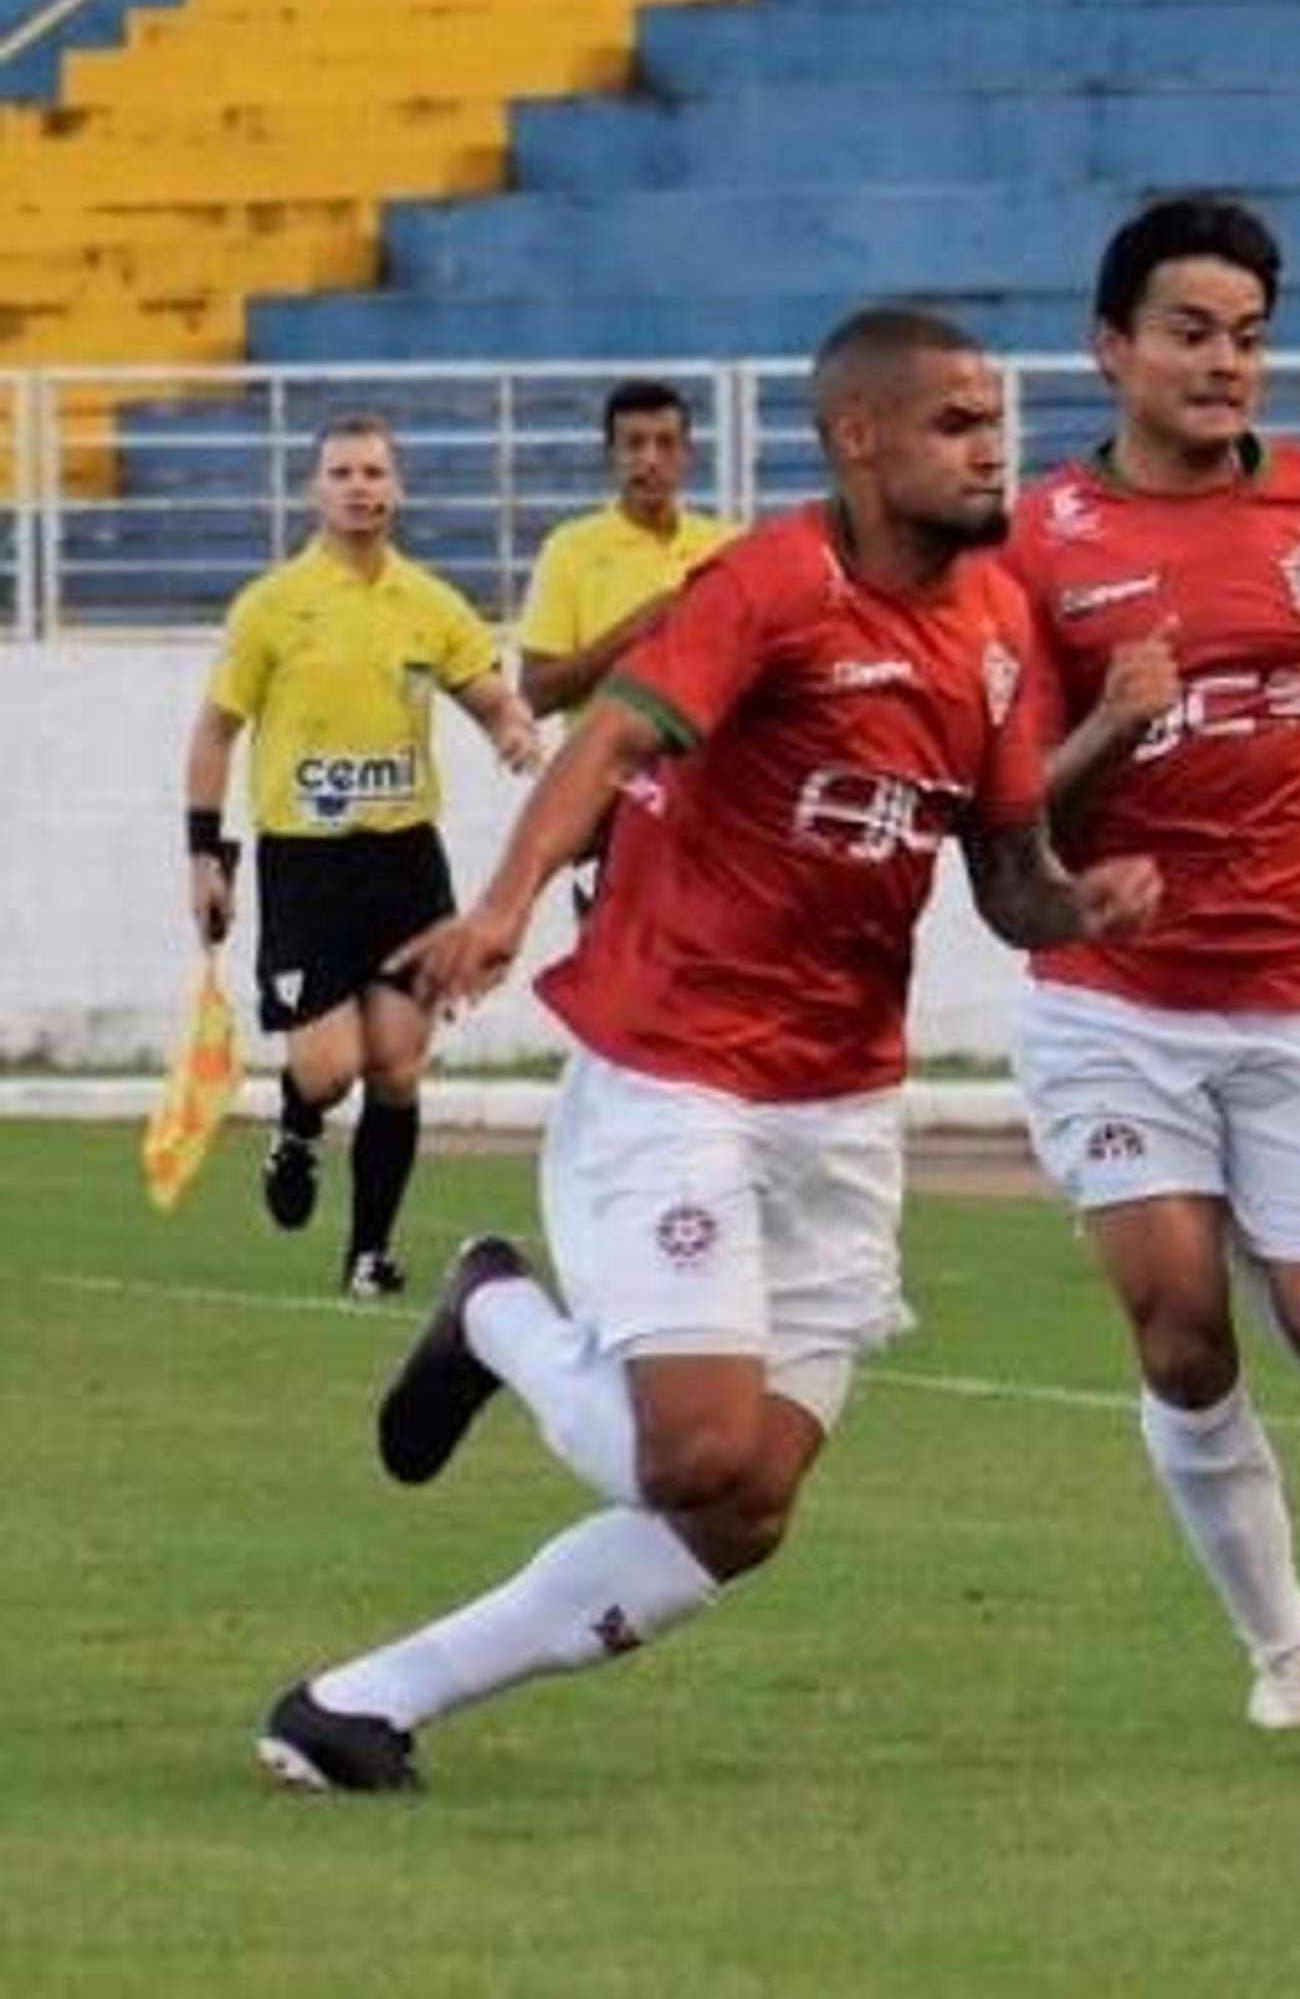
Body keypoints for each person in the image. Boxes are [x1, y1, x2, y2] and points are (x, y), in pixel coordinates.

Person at [252, 307, 1160, 1794]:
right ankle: (494, 1310)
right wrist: (502, 903)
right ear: (857, 438)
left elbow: (1003, 875)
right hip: (679, 1065)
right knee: (688, 1455)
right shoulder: (770, 585)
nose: (992, 443)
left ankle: (355, 1701)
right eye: (953, 421)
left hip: (843, 1099)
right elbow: (607, 740)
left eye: (997, 415)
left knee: (745, 1511)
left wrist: (1081, 900)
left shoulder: (997, 625)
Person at [1002, 196, 1300, 1732]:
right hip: (1113, 1004)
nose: (1226, 365)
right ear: (1112, 346)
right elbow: (1001, 806)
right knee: (1177, 1317)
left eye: (1251, 339)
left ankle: (1277, 1219)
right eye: (1193, 333)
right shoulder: (1033, 544)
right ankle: (1284, 1641)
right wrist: (1106, 731)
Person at [182, 412, 545, 1297]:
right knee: (328, 1065)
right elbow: (216, 733)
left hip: (404, 862)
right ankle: (299, 1125)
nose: (360, 487)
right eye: (342, 472)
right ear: (315, 489)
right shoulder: (272, 605)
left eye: (375, 472)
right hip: (306, 864)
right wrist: (204, 855)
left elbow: (488, 694)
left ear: (398, 487)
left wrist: (512, 729)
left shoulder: (431, 602)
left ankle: (367, 1255)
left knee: (397, 1063)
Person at [515, 377, 738, 719]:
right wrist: (634, 632)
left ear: (686, 455)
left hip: (710, 769)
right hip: (608, 771)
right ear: (610, 456)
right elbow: (534, 695)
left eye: (666, 444)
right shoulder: (569, 549)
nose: (650, 459)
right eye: (634, 444)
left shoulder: (728, 547)